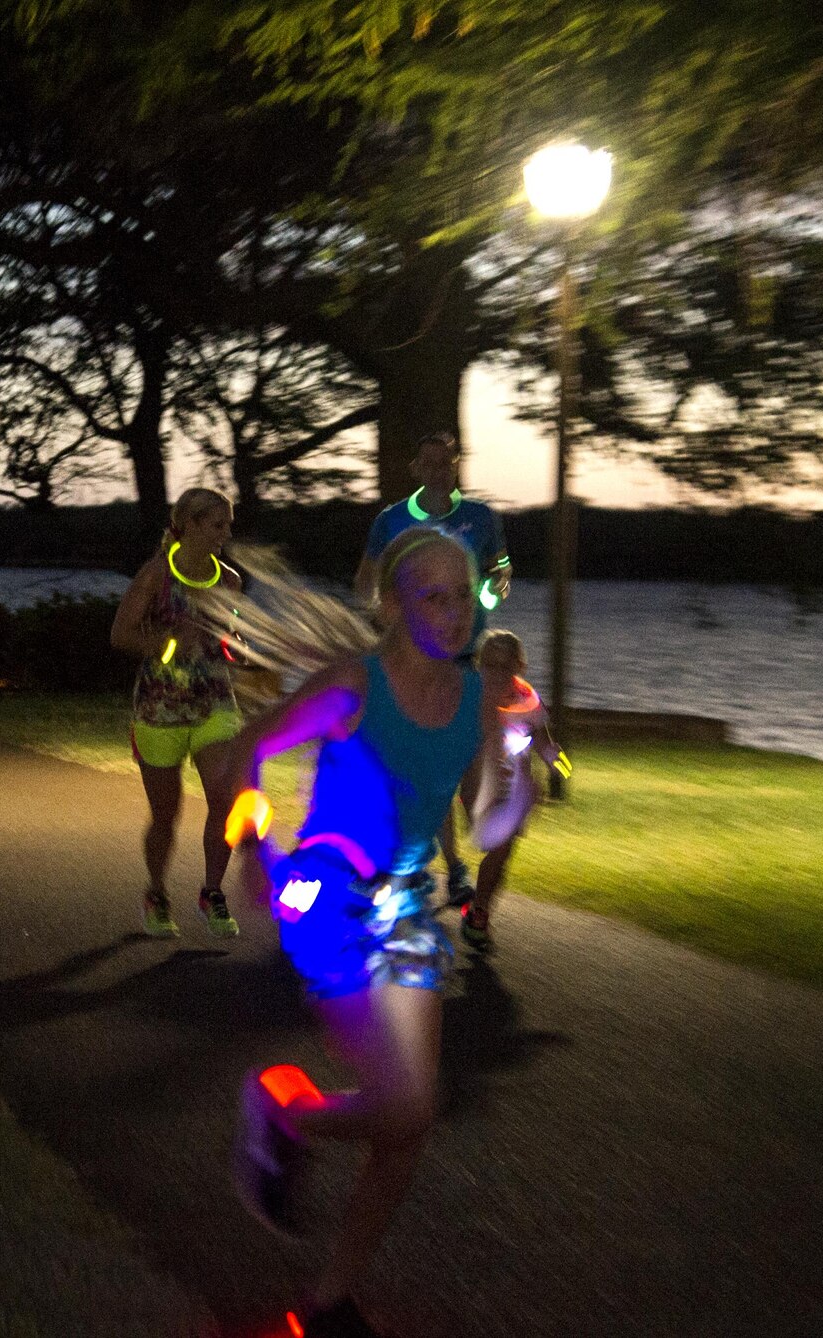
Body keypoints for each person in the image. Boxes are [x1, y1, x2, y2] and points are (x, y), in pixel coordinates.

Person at [227, 525, 487, 1338]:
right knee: (405, 1102)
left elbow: (480, 811)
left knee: (406, 1129)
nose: (452, 613)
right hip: (325, 895)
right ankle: (283, 1112)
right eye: (431, 595)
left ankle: (333, 1298)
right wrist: (252, 840)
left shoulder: (474, 696)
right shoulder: (352, 686)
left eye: (463, 595)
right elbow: (249, 747)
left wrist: (521, 768)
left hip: (410, 902)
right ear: (392, 604)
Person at [353, 431, 511, 909]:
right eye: (430, 462)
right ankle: (439, 869)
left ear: (456, 466)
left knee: (468, 769)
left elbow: (501, 568)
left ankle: (466, 867)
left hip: (465, 658)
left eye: (448, 463)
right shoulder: (392, 520)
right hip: (411, 658)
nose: (439, 470)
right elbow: (367, 580)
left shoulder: (480, 518)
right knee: (416, 766)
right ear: (416, 467)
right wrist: (381, 614)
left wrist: (491, 589)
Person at [108, 487, 245, 939]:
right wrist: (168, 642)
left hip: (213, 702)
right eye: (217, 525)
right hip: (159, 706)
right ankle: (157, 891)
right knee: (166, 815)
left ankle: (212, 893)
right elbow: (121, 635)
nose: (226, 534)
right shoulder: (155, 576)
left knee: (224, 796)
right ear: (188, 526)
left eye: (228, 524)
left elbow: (230, 637)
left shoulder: (229, 581)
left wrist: (238, 649)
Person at [450, 629, 569, 953]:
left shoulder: (527, 699)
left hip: (517, 789)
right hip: (479, 786)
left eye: (506, 666)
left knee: (501, 853)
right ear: (479, 666)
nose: (497, 674)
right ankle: (475, 906)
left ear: (519, 666)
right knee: (491, 842)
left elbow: (545, 741)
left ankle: (479, 913)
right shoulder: (469, 698)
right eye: (489, 665)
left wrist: (560, 765)